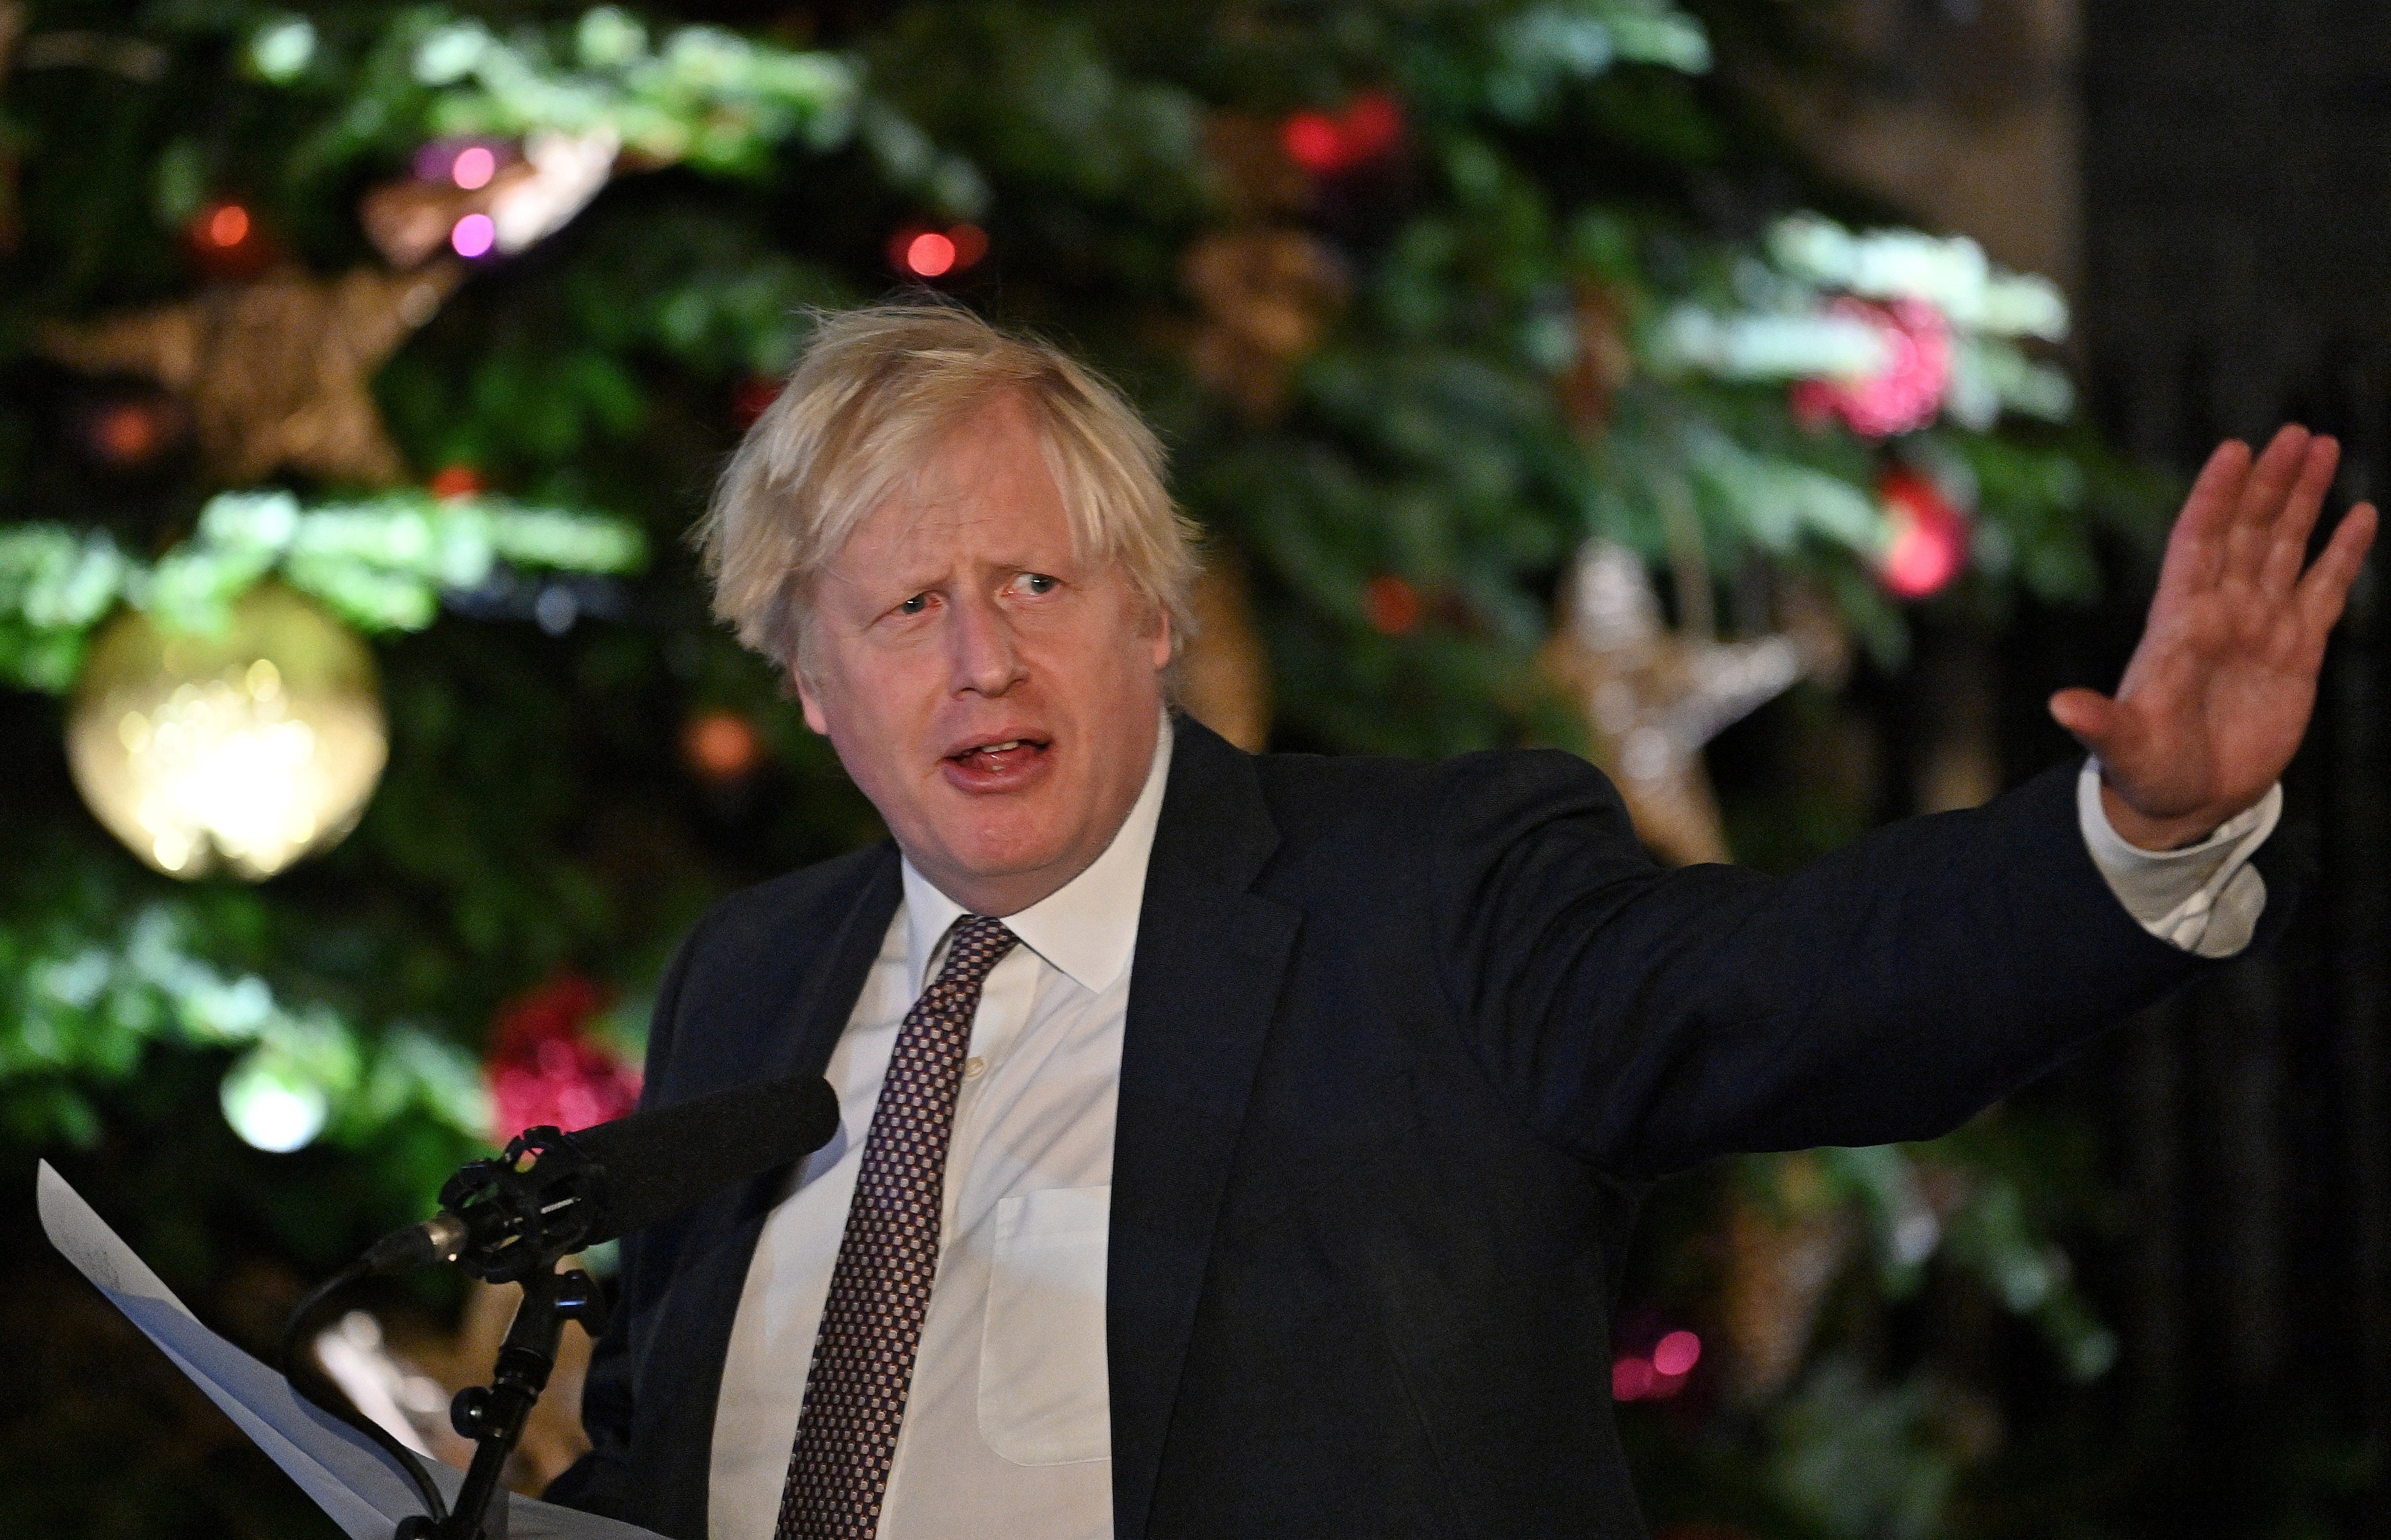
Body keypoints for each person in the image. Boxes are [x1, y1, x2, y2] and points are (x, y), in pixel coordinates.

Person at [545, 304, 2376, 1540]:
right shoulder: (750, 978)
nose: (983, 658)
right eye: (905, 606)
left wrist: (2137, 828)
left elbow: (1796, 991)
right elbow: (678, 1435)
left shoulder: (1430, 901)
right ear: (805, 680)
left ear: (1155, 614)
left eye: (1038, 579)